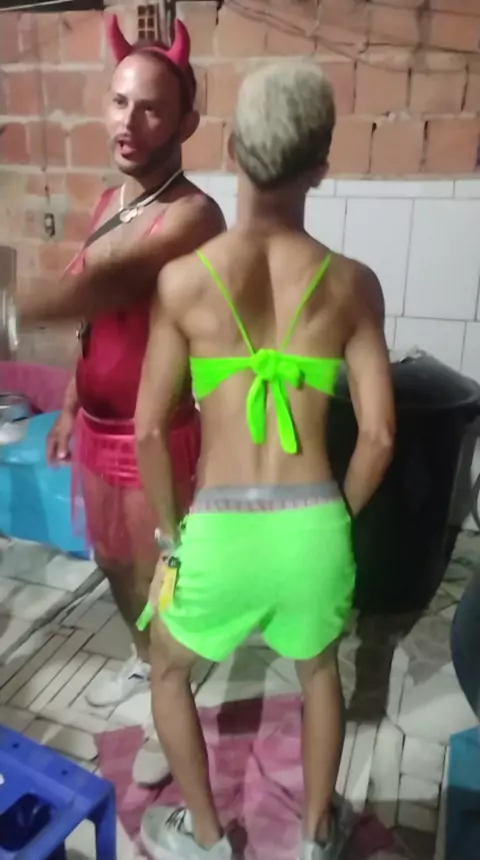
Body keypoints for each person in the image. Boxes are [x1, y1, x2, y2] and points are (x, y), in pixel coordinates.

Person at [134, 61, 395, 860]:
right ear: (321, 166)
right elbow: (381, 438)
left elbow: (150, 433)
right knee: (318, 672)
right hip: (312, 524)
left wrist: (172, 536)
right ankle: (316, 837)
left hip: (218, 529)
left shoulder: (183, 282)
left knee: (169, 672)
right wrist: (336, 517)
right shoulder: (353, 285)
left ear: (231, 150)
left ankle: (209, 839)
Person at [17, 15, 225, 785]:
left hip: (155, 434)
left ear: (186, 124)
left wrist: (12, 312)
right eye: (117, 102)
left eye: (150, 108)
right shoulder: (109, 198)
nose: (127, 123)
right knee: (111, 561)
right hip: (100, 428)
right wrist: (72, 404)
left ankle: (174, 697)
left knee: (162, 577)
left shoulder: (195, 215)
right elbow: (95, 323)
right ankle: (149, 663)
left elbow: (112, 283)